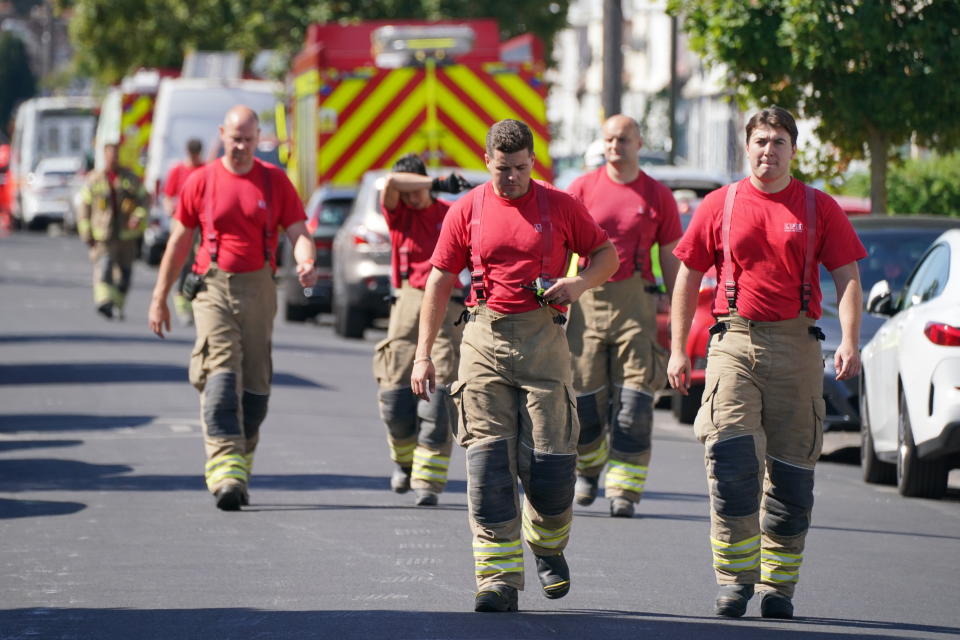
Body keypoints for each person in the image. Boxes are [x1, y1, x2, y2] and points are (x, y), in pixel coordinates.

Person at [411, 119, 618, 612]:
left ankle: (548, 547)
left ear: (532, 163)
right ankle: (497, 579)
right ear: (488, 162)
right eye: (503, 170)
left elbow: (606, 255)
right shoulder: (468, 209)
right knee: (487, 467)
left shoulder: (561, 206)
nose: (512, 179)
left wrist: (579, 284)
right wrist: (423, 354)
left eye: (522, 169)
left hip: (544, 339)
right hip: (483, 337)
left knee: (550, 465)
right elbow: (439, 282)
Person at [667, 106, 866, 620]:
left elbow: (847, 278)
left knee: (792, 475)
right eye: (760, 140)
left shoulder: (820, 208)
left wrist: (849, 340)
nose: (768, 150)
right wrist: (674, 348)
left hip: (799, 348)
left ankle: (779, 586)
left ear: (792, 149)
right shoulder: (719, 204)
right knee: (732, 465)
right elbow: (688, 276)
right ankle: (734, 581)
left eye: (778, 141)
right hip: (733, 342)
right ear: (746, 146)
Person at [148, 105, 317, 511]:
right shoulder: (201, 181)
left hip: (259, 289)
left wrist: (307, 260)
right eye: (234, 138)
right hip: (213, 287)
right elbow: (178, 243)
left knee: (256, 390)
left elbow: (299, 231)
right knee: (221, 377)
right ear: (222, 134)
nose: (240, 146)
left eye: (248, 139)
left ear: (258, 139)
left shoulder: (275, 182)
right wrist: (159, 298)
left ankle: (240, 459)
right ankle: (224, 470)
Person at [565, 114, 683, 518]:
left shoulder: (657, 196)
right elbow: (562, 247)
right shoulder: (582, 189)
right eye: (610, 140)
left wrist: (675, 301)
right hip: (586, 302)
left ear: (639, 142)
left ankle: (624, 491)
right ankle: (588, 466)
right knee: (585, 403)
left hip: (637, 304)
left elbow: (671, 256)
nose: (616, 146)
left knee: (634, 405)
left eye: (625, 139)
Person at [373, 153, 470, 506]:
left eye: (418, 189)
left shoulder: (450, 215)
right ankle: (403, 461)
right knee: (395, 398)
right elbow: (390, 185)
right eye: (410, 190)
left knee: (439, 395)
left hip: (448, 308)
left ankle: (428, 482)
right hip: (407, 305)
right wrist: (435, 183)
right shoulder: (399, 214)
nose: (412, 198)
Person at [77, 143, 149, 320]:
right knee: (105, 268)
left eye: (116, 155)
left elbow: (144, 200)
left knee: (125, 274)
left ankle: (117, 305)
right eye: (110, 155)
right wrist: (86, 231)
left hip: (126, 236)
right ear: (104, 156)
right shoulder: (95, 179)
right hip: (104, 235)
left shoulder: (129, 178)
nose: (113, 158)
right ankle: (104, 302)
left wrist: (138, 216)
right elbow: (84, 206)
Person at [163, 139, 205, 325]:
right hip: (181, 221)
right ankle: (181, 298)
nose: (194, 158)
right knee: (182, 259)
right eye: (192, 154)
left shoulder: (204, 170)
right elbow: (168, 196)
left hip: (201, 223)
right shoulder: (178, 170)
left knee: (200, 261)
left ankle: (195, 299)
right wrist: (170, 210)